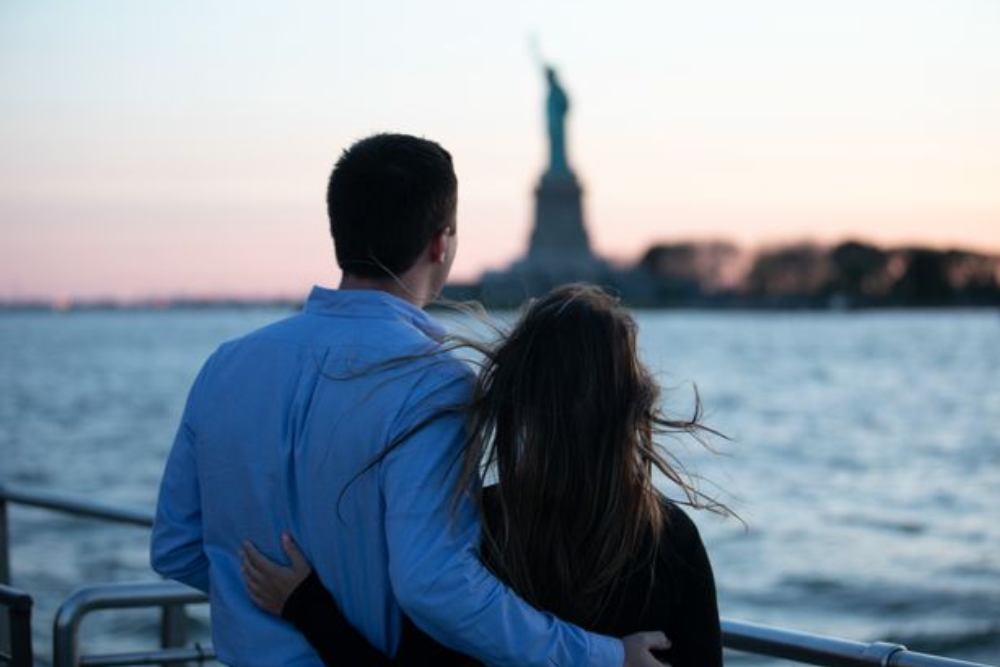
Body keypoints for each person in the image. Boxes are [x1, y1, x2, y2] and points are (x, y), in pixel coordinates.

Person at [150, 134, 667, 667]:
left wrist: (261, 609)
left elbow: (174, 547)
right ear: (441, 244)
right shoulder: (434, 383)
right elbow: (435, 586)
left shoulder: (227, 365)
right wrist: (603, 656)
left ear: (339, 232)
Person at [241, 284, 727, 667]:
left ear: (519, 401)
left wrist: (309, 608)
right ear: (631, 405)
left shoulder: (477, 527)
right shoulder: (671, 540)